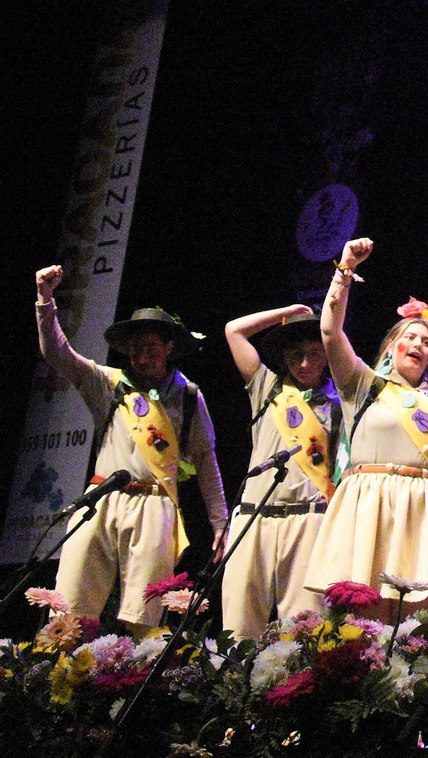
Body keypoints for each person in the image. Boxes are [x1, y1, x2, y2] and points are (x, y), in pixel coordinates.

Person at [305, 238, 428, 613]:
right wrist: (344, 272)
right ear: (391, 346)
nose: (418, 344)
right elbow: (329, 331)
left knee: (412, 626)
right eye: (408, 337)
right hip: (366, 506)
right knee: (358, 615)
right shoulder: (362, 384)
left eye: (425, 341)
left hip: (423, 511)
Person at [33, 267, 227, 630]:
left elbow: (205, 458)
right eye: (135, 348)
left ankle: (134, 680)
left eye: (152, 347)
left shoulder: (188, 396)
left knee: (144, 614)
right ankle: (62, 679)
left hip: (155, 505)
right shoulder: (107, 383)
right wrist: (45, 300)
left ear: (169, 348)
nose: (142, 355)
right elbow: (58, 354)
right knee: (69, 606)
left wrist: (219, 520)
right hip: (101, 498)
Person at [220, 304, 341, 639]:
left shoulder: (340, 400)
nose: (305, 365)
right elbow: (234, 329)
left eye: (315, 355)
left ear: (329, 355)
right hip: (254, 516)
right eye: (296, 355)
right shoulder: (266, 387)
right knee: (239, 623)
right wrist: (286, 312)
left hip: (309, 520)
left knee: (303, 626)